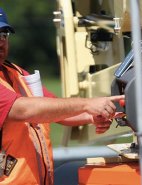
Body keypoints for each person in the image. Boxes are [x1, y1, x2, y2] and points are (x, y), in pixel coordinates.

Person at [0, 8, 124, 185]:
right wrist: (88, 104)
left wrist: (92, 116)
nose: (1, 42)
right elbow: (26, 109)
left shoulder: (15, 73)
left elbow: (53, 107)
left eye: (3, 35)